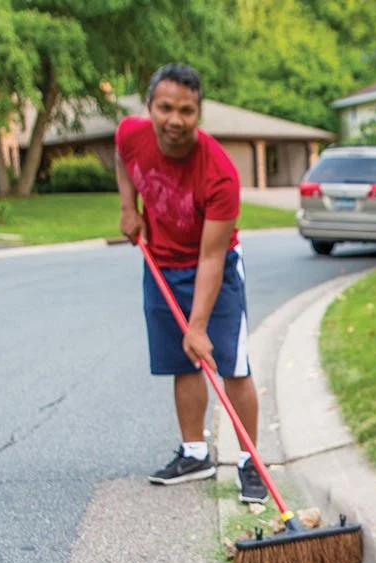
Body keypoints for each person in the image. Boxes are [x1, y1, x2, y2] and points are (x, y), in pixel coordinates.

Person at [115, 63, 266, 504]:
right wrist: (128, 207)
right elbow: (122, 158)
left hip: (214, 269)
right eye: (165, 108)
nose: (175, 120)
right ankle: (195, 453)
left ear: (198, 114)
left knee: (233, 366)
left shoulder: (219, 173)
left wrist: (197, 324)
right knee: (182, 363)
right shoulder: (131, 134)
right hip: (160, 264)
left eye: (186, 111)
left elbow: (211, 257)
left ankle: (250, 461)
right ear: (149, 107)